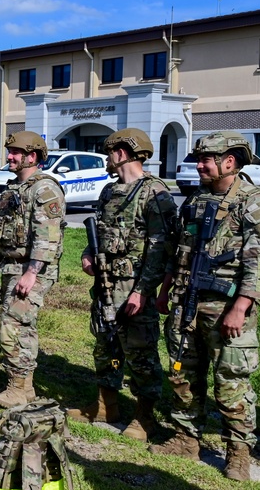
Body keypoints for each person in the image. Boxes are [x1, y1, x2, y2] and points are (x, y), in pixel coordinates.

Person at [151, 131, 260, 481]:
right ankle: (186, 438)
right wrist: (165, 289)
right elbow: (178, 251)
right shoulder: (196, 200)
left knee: (231, 381)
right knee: (182, 372)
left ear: (229, 161)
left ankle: (239, 452)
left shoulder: (252, 201)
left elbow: (258, 263)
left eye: (206, 159)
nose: (198, 165)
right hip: (187, 302)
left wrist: (240, 306)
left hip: (226, 306)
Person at [67, 129, 177, 442]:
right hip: (106, 285)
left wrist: (142, 291)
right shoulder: (109, 192)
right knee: (106, 346)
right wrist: (89, 255)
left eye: (111, 150)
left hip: (135, 287)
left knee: (141, 352)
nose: (107, 156)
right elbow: (99, 233)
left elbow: (162, 247)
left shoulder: (155, 192)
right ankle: (106, 405)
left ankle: (144, 417)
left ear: (126, 152)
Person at [0, 131, 65, 408]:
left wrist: (31, 273)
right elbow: (3, 233)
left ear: (31, 157)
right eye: (10, 151)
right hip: (11, 265)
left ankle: (17, 387)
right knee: (21, 325)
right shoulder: (14, 189)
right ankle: (25, 388)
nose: (9, 156)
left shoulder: (44, 189)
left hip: (33, 269)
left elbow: (47, 237)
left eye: (15, 152)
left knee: (14, 324)